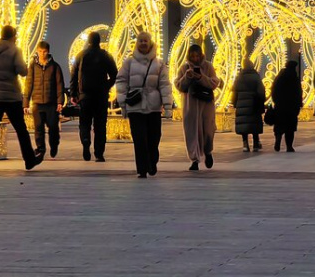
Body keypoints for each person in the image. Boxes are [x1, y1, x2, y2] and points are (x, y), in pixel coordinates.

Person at [0, 25, 42, 173]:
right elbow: (22, 71)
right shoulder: (15, 50)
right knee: (21, 129)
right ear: (13, 36)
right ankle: (29, 160)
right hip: (11, 96)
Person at [115, 31, 172, 178]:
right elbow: (121, 81)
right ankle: (142, 168)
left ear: (150, 43)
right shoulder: (129, 63)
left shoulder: (159, 64)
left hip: (154, 107)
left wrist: (167, 106)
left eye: (146, 41)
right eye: (141, 41)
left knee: (154, 137)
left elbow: (165, 85)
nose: (143, 43)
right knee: (139, 139)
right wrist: (122, 103)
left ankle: (152, 161)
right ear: (137, 43)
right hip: (135, 106)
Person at [70, 31, 118, 162]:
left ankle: (85, 140)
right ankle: (99, 153)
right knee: (100, 125)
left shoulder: (81, 55)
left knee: (84, 123)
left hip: (85, 96)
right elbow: (114, 74)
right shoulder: (106, 55)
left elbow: (73, 75)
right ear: (99, 41)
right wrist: (106, 86)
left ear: (89, 41)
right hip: (101, 96)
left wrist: (73, 93)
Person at [174, 44, 220, 171]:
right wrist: (187, 77)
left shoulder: (208, 66)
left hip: (206, 105)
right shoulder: (184, 68)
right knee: (192, 133)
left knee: (208, 131)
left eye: (197, 56)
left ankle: (208, 151)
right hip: (191, 106)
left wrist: (201, 77)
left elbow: (214, 83)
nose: (195, 59)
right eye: (192, 56)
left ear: (201, 55)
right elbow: (179, 86)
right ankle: (194, 160)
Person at [24, 41, 66, 159]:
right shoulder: (33, 66)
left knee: (53, 128)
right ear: (37, 51)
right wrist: (25, 103)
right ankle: (40, 149)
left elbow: (59, 85)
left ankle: (54, 145)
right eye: (40, 51)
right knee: (38, 128)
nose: (42, 54)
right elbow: (28, 84)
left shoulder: (55, 66)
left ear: (48, 52)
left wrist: (60, 102)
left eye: (44, 52)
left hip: (51, 103)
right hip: (37, 102)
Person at [231, 58, 264, 152]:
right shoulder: (256, 76)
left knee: (243, 125)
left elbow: (234, 92)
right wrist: (261, 101)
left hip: (242, 104)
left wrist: (235, 103)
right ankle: (256, 143)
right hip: (254, 104)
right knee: (254, 124)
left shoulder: (239, 77)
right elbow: (261, 91)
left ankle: (245, 144)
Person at [271, 59, 302, 152]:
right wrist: (299, 104)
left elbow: (274, 89)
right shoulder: (294, 78)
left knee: (279, 125)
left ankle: (278, 139)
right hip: (292, 106)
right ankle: (289, 146)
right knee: (290, 127)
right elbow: (298, 92)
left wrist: (276, 101)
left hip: (280, 105)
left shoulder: (279, 77)